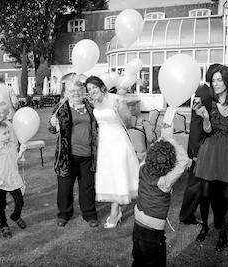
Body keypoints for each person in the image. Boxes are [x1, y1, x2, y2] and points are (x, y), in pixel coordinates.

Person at [194, 65, 228, 252]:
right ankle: (204, 227)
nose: (215, 84)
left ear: (227, 81)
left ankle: (223, 233)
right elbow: (207, 130)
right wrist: (205, 118)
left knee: (227, 196)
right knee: (204, 193)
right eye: (213, 80)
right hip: (211, 149)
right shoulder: (209, 101)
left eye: (219, 80)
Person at [85, 76, 139, 228]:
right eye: (89, 89)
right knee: (109, 175)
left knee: (118, 173)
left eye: (94, 87)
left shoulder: (116, 98)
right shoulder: (93, 102)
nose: (92, 91)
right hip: (104, 143)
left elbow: (128, 122)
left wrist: (120, 110)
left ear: (101, 86)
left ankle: (115, 212)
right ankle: (117, 208)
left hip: (118, 141)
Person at [132, 127, 189, 267]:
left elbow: (152, 151)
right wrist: (170, 139)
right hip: (153, 231)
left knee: (138, 261)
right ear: (170, 163)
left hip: (138, 224)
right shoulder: (164, 182)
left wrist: (162, 138)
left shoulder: (142, 168)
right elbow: (183, 161)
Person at [47, 81, 99, 228]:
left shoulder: (90, 106)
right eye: (72, 90)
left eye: (78, 90)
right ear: (67, 92)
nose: (76, 93)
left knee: (87, 186)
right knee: (65, 186)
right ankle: (64, 214)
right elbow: (51, 128)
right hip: (67, 155)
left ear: (82, 91)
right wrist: (52, 124)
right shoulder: (61, 107)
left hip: (88, 155)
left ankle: (89, 214)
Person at [179, 63, 222, 225]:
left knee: (202, 183)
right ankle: (186, 215)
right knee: (195, 184)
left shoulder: (205, 91)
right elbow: (197, 125)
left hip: (203, 144)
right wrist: (196, 152)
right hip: (200, 146)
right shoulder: (204, 94)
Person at [0, 121, 27, 238]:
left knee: (20, 202)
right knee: (1, 205)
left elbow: (16, 161)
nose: (8, 135)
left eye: (8, 133)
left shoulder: (12, 146)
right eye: (5, 134)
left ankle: (15, 216)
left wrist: (21, 153)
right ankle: (3, 225)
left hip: (14, 180)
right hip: (1, 183)